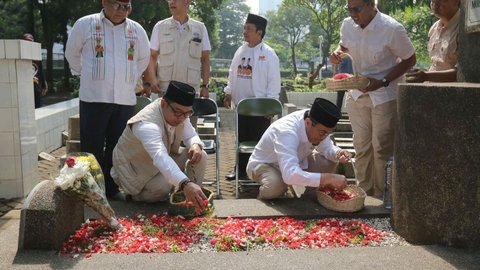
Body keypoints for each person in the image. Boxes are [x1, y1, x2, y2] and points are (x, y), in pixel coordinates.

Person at [330, 0, 416, 198]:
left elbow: (410, 59)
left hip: (384, 94)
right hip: (358, 93)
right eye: (349, 8)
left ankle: (381, 196)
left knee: (381, 147)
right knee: (361, 146)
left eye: (357, 9)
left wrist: (383, 81)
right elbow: (344, 46)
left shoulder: (392, 28)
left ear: (371, 5)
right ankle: (364, 193)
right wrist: (338, 54)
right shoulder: (347, 25)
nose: (352, 13)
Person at [65, 0, 150, 199]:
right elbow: (72, 55)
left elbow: (143, 59)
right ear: (104, 2)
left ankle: (111, 188)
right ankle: (91, 188)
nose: (122, 11)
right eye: (117, 5)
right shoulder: (85, 24)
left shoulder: (136, 30)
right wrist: (87, 75)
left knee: (117, 147)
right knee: (92, 145)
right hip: (94, 97)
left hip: (124, 99)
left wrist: (127, 79)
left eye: (126, 6)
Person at [111, 81, 208, 211]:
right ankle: (136, 197)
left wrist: (195, 145)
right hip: (136, 171)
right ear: (163, 103)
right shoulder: (146, 124)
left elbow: (190, 136)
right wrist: (185, 183)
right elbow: (160, 157)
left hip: (159, 165)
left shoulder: (181, 114)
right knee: (163, 186)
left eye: (187, 113)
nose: (182, 118)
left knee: (201, 155)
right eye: (178, 112)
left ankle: (193, 198)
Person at [247, 98, 350, 199]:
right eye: (322, 133)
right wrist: (328, 178)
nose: (324, 137)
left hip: (295, 162)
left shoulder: (315, 120)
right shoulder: (286, 132)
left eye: (328, 133)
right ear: (308, 123)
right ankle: (262, 202)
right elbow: (290, 175)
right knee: (276, 185)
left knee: (328, 162)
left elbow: (326, 147)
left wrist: (338, 153)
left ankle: (310, 199)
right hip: (266, 165)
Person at [223, 13, 281, 180]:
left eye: (249, 29)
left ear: (259, 33)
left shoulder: (269, 54)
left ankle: (257, 173)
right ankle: (239, 170)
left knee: (258, 143)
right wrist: (228, 91)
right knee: (241, 139)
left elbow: (273, 81)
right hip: (242, 106)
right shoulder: (240, 50)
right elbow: (232, 72)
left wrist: (271, 103)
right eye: (244, 28)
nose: (245, 32)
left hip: (261, 109)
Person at [143, 0, 211, 98]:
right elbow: (152, 56)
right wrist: (152, 80)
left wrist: (205, 86)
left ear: (187, 2)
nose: (171, 2)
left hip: (190, 91)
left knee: (189, 114)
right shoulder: (160, 27)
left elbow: (205, 59)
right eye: (169, 0)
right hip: (166, 90)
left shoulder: (200, 28)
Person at [406, 0, 460, 83]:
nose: (435, 4)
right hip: (431, 90)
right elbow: (434, 64)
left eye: (441, 0)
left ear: (456, 1)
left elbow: (463, 73)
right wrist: (422, 75)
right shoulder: (433, 29)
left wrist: (427, 76)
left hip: (454, 92)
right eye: (432, 0)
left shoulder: (463, 29)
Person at [23, 33, 48, 108]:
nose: (28, 43)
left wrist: (44, 84)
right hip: (25, 87)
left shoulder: (36, 54)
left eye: (30, 41)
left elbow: (40, 70)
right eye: (26, 41)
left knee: (38, 107)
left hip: (36, 86)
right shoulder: (20, 54)